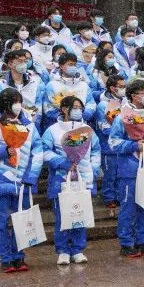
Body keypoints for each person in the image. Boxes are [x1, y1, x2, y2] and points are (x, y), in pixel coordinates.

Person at [0, 87, 43, 273]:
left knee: (21, 222)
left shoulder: (30, 127)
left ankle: (19, 256)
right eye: (14, 102)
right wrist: (2, 152)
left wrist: (31, 176)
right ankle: (5, 258)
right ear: (5, 104)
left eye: (19, 101)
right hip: (0, 182)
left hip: (23, 183)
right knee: (2, 223)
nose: (18, 105)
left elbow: (38, 153)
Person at [40, 95, 100, 265]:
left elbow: (96, 150)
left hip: (83, 178)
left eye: (80, 108)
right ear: (64, 109)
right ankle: (63, 250)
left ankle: (78, 249)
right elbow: (44, 151)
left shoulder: (87, 129)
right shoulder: (52, 130)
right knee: (63, 216)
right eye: (75, 107)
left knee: (80, 214)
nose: (78, 111)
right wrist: (63, 163)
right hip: (62, 178)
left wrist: (93, 168)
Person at [109, 79, 144, 257]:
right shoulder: (122, 117)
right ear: (133, 96)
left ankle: (141, 241)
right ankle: (126, 243)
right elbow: (113, 142)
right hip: (129, 169)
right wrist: (134, 146)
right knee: (128, 207)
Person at [0, 49, 45, 132]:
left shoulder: (35, 82)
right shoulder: (0, 85)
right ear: (10, 64)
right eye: (20, 61)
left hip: (30, 126)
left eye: (25, 61)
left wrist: (30, 126)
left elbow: (38, 110)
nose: (23, 64)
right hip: (7, 127)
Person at [42, 52, 96, 133]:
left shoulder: (84, 85)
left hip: (81, 125)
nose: (73, 67)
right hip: (59, 127)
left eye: (75, 65)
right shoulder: (52, 85)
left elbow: (91, 103)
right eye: (70, 64)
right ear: (61, 66)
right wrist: (64, 116)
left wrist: (82, 114)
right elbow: (47, 107)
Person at [94, 74, 126, 208]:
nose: (124, 89)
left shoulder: (126, 103)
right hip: (108, 146)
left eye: (125, 86)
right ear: (112, 88)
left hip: (123, 145)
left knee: (121, 173)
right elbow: (104, 127)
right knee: (110, 174)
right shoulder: (103, 105)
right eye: (121, 86)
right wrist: (122, 131)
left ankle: (119, 196)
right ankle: (109, 197)